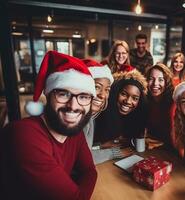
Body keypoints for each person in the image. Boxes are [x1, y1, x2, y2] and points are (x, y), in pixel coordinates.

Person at [1, 51, 97, 200]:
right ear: (48, 95)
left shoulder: (73, 130)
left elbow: (89, 171)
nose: (73, 106)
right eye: (63, 94)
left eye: (83, 97)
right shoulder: (23, 134)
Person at [82, 59, 132, 164]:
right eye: (97, 87)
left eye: (107, 90)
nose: (103, 95)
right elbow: (82, 158)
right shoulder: (79, 118)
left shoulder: (90, 116)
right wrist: (114, 152)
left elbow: (83, 149)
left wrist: (101, 146)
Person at [94, 64, 148, 149]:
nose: (128, 101)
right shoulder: (99, 114)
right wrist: (100, 146)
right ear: (115, 93)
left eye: (135, 98)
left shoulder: (136, 118)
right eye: (123, 94)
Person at [145, 63, 175, 148]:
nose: (155, 83)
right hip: (152, 148)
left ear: (167, 82)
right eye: (151, 79)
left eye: (161, 80)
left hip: (170, 150)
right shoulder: (146, 100)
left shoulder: (173, 103)